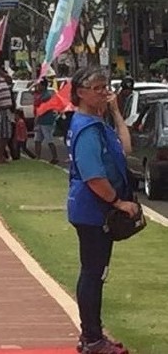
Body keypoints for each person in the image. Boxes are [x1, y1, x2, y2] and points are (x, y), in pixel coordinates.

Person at [67, 66, 138, 354]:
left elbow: (126, 148)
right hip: (93, 211)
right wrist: (118, 202)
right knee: (93, 274)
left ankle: (93, 336)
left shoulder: (97, 124)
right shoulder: (85, 128)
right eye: (96, 88)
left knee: (96, 272)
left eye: (104, 87)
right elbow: (93, 176)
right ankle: (92, 338)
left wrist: (117, 112)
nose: (103, 92)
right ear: (80, 93)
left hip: (95, 211)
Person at [34, 78, 59, 163]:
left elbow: (40, 105)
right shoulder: (41, 94)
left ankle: (55, 157)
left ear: (43, 86)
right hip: (41, 120)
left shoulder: (46, 95)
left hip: (46, 120)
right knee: (37, 140)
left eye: (39, 85)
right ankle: (38, 157)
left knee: (49, 139)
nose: (38, 87)